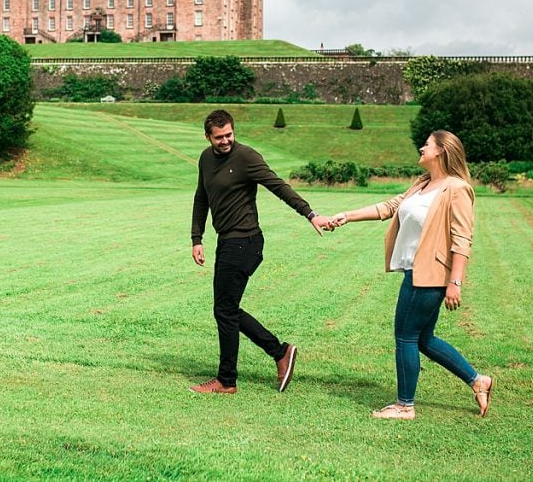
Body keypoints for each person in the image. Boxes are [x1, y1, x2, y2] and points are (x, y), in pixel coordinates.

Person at [329, 129, 494, 418]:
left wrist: (455, 282)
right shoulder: (423, 184)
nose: (422, 147)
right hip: (415, 271)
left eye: (427, 144)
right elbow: (391, 206)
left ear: (442, 151)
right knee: (423, 339)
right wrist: (348, 216)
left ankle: (405, 406)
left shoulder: (456, 188)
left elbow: (462, 238)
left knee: (405, 335)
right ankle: (478, 380)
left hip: (429, 274)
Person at [190, 109, 332, 394]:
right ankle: (276, 354)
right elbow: (201, 197)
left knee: (225, 309)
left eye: (229, 134)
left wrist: (310, 214)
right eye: (219, 137)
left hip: (245, 241)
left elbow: (279, 187)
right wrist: (197, 238)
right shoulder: (206, 159)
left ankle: (233, 377)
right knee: (226, 309)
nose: (225, 141)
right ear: (208, 137)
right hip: (227, 241)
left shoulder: (246, 157)